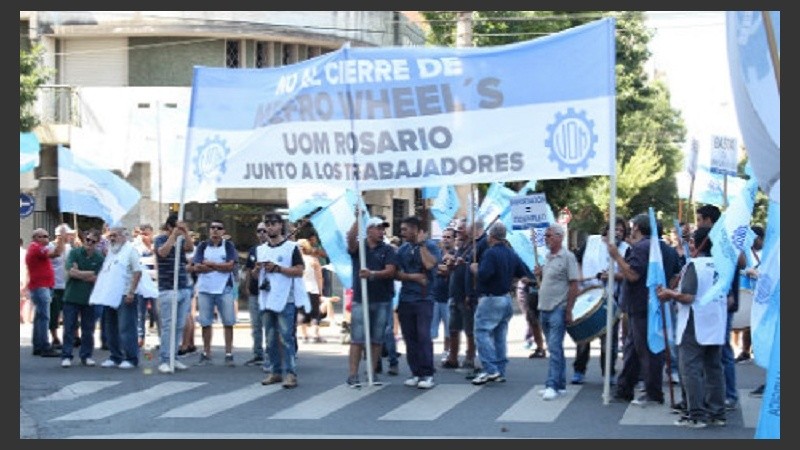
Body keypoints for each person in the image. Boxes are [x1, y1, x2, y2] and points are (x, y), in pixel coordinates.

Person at [657, 226, 727, 428]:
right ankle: (717, 412)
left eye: (691, 240)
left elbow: (688, 297)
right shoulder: (722, 265)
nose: (689, 243)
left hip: (695, 322)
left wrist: (670, 294)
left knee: (691, 369)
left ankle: (696, 413)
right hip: (716, 320)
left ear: (698, 243)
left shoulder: (694, 265)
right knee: (714, 369)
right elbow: (729, 298)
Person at [470, 222, 533, 385]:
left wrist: (475, 269)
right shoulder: (511, 253)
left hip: (491, 298)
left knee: (481, 332)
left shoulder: (490, 254)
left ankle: (491, 369)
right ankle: (500, 370)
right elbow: (525, 273)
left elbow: (484, 274)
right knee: (500, 335)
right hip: (506, 298)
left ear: (491, 237)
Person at [572, 218, 630, 385]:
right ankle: (579, 370)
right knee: (584, 336)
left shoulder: (626, 250)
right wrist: (580, 278)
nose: (618, 233)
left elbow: (628, 273)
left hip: (611, 299)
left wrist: (612, 276)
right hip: (587, 294)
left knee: (609, 341)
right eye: (615, 229)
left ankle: (608, 373)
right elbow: (578, 260)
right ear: (607, 230)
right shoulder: (591, 241)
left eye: (621, 230)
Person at [257, 212, 310, 389]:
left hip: (286, 297)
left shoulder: (291, 247)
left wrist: (278, 268)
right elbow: (254, 274)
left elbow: (299, 270)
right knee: (270, 338)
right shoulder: (261, 249)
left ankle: (290, 373)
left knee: (286, 337)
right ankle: (275, 371)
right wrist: (257, 270)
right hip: (266, 298)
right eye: (267, 223)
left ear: (281, 226)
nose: (270, 227)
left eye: (273, 223)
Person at [345, 216, 398, 387]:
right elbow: (350, 239)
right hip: (361, 299)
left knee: (377, 339)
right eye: (378, 228)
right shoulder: (359, 248)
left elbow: (390, 271)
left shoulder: (388, 250)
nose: (382, 232)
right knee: (357, 339)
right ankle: (353, 374)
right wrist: (357, 219)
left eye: (383, 229)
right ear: (369, 230)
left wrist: (372, 274)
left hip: (382, 299)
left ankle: (371, 372)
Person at [534, 224, 580, 400]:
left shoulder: (567, 257)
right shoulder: (548, 257)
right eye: (545, 236)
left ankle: (552, 384)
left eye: (549, 236)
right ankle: (559, 384)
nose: (546, 239)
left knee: (554, 347)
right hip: (544, 307)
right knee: (555, 348)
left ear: (560, 237)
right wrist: (540, 273)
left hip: (557, 308)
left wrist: (569, 309)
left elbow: (574, 284)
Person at [395, 215, 441, 389]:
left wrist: (421, 245)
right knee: (409, 337)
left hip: (424, 298)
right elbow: (396, 272)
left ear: (416, 230)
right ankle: (416, 372)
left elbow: (430, 265)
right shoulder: (403, 249)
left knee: (423, 336)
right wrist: (411, 276)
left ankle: (427, 373)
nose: (402, 233)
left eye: (406, 229)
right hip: (406, 298)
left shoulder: (430, 246)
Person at [90, 227, 142, 369]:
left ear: (124, 236)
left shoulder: (130, 250)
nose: (112, 238)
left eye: (115, 235)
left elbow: (137, 272)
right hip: (110, 294)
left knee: (126, 327)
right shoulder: (111, 252)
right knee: (109, 326)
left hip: (125, 294)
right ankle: (115, 356)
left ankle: (131, 358)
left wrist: (131, 292)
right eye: (110, 236)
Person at [190, 219, 238, 367]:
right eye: (213, 228)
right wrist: (219, 267)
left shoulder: (228, 246)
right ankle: (206, 353)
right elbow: (196, 266)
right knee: (205, 322)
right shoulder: (202, 246)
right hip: (205, 288)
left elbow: (231, 265)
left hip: (225, 288)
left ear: (223, 231)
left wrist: (210, 264)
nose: (215, 230)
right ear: (209, 230)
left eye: (219, 228)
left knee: (228, 322)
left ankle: (229, 353)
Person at [154, 214, 194, 374]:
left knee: (179, 326)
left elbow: (190, 249)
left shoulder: (181, 239)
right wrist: (173, 236)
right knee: (168, 326)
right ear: (169, 227)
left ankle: (174, 357)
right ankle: (164, 359)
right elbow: (162, 253)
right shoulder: (160, 239)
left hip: (183, 286)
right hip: (168, 288)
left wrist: (185, 233)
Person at [59, 229, 105, 367]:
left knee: (88, 329)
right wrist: (87, 274)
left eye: (93, 241)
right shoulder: (74, 252)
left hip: (89, 298)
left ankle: (86, 355)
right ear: (84, 239)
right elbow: (71, 272)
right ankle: (66, 356)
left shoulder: (99, 258)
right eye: (88, 240)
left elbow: (97, 278)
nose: (89, 243)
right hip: (72, 297)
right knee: (69, 328)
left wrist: (80, 272)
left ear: (97, 243)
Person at [26, 227, 66, 357]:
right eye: (42, 236)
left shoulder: (36, 248)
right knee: (44, 317)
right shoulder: (36, 248)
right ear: (35, 238)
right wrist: (62, 238)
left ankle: (38, 345)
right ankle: (44, 346)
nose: (45, 239)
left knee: (40, 317)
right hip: (40, 286)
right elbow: (56, 253)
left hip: (42, 286)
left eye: (46, 236)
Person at [243, 221, 269, 367]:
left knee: (269, 324)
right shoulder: (253, 250)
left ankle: (270, 354)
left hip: (269, 292)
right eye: (259, 231)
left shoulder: (274, 248)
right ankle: (257, 354)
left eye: (264, 231)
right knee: (256, 325)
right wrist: (247, 286)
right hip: (254, 292)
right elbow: (249, 270)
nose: (262, 234)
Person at [49, 224, 77, 350]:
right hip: (55, 285)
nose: (70, 236)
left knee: (71, 312)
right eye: (68, 234)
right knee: (54, 313)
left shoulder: (69, 247)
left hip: (68, 285)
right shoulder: (50, 246)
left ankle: (75, 336)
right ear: (60, 235)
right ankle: (54, 337)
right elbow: (55, 254)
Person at [431, 227, 456, 363]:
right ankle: (428, 353)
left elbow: (447, 271)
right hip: (434, 296)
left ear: (454, 239)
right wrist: (441, 268)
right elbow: (432, 268)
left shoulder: (457, 254)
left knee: (449, 329)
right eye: (444, 237)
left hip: (448, 296)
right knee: (431, 329)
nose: (445, 239)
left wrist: (443, 269)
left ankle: (447, 351)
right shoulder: (437, 253)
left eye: (448, 237)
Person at [133, 223, 159, 347]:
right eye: (143, 234)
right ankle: (140, 338)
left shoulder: (156, 245)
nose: (145, 236)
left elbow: (158, 261)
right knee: (140, 314)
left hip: (155, 284)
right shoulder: (135, 247)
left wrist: (150, 246)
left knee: (157, 313)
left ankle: (161, 338)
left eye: (147, 234)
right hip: (141, 285)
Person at [297, 238, 326, 344]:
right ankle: (315, 334)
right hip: (313, 289)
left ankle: (304, 335)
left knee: (301, 312)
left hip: (301, 290)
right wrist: (320, 291)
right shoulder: (313, 260)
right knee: (315, 313)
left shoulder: (295, 262)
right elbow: (319, 277)